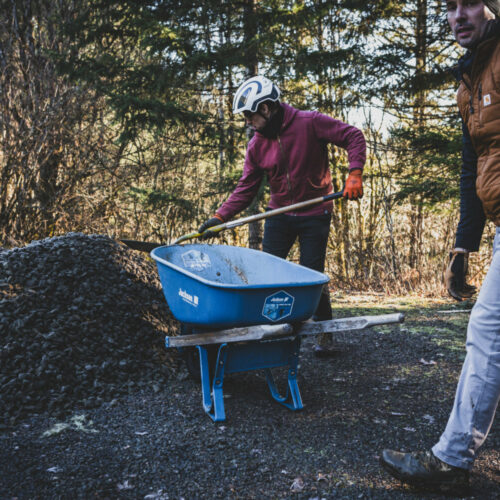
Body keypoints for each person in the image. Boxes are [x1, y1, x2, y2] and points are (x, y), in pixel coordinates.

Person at [380, 0, 500, 492]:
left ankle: (451, 461)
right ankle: (452, 459)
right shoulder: (469, 83)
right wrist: (462, 247)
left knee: (488, 331)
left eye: (469, 2)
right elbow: (473, 167)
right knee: (488, 331)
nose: (458, 15)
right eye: (449, 7)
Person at [198, 75, 366, 356]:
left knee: (313, 274)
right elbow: (246, 188)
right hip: (279, 213)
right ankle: (269, 329)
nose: (248, 122)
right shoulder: (256, 145)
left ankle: (324, 331)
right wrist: (220, 217)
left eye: (250, 115)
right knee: (267, 273)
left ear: (265, 108)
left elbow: (353, 136)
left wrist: (355, 173)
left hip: (316, 211)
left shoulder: (309, 122)